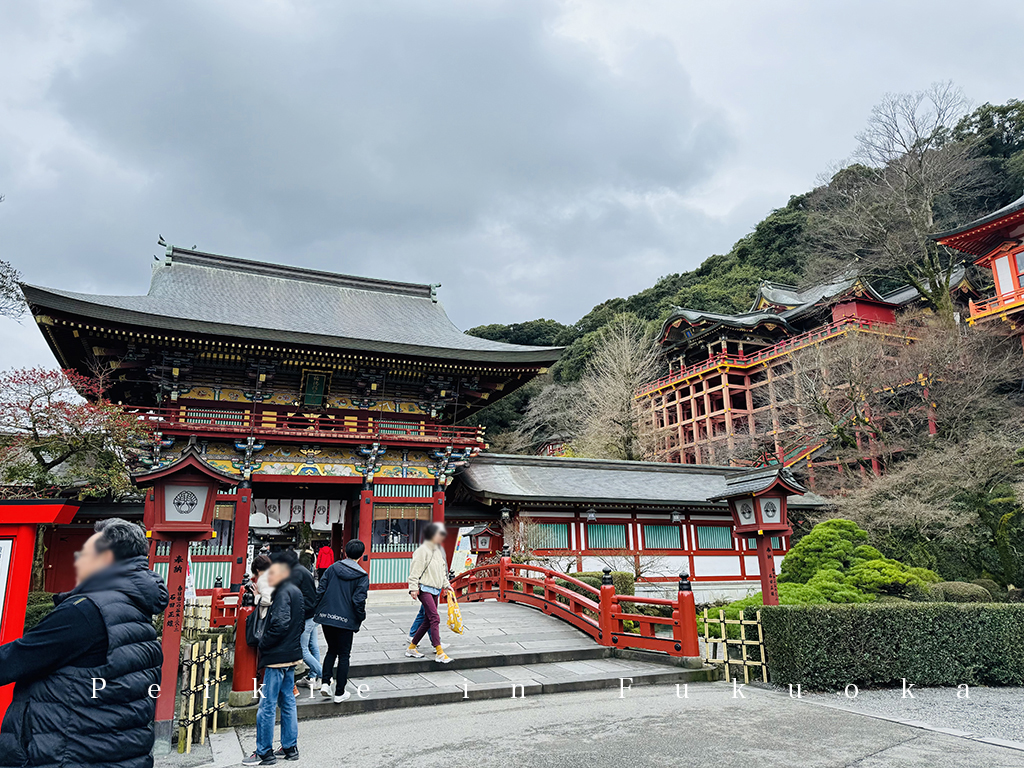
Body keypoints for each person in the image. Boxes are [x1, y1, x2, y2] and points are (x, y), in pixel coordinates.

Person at [0, 518, 168, 768]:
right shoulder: (135, 610)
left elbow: (15, 659)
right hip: (112, 751)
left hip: (65, 752)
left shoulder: (86, 611)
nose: (79, 558)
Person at [243, 555, 304, 766]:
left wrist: (264, 643)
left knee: (267, 704)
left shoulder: (279, 592)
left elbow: (279, 623)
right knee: (288, 701)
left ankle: (264, 751)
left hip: (276, 656)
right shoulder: (295, 590)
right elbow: (299, 623)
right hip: (292, 654)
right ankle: (290, 746)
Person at [313, 539, 369, 703]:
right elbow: (359, 600)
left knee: (331, 650)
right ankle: (340, 692)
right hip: (346, 619)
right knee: (344, 654)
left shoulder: (332, 568)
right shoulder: (362, 576)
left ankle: (325, 683)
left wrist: (316, 609)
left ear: (345, 552)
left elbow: (320, 590)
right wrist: (361, 616)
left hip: (327, 617)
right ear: (361, 555)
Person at [406, 523, 453, 663]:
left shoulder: (438, 551)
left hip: (435, 589)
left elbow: (442, 572)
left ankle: (411, 647)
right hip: (424, 588)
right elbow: (415, 571)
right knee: (435, 618)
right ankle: (439, 651)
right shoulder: (422, 551)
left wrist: (447, 585)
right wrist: (413, 587)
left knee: (427, 620)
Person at [279, 549, 323, 690]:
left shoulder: (294, 574)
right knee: (313, 646)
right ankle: (312, 677)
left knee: (303, 650)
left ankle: (324, 675)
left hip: (306, 614)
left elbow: (293, 596)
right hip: (314, 612)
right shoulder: (304, 571)